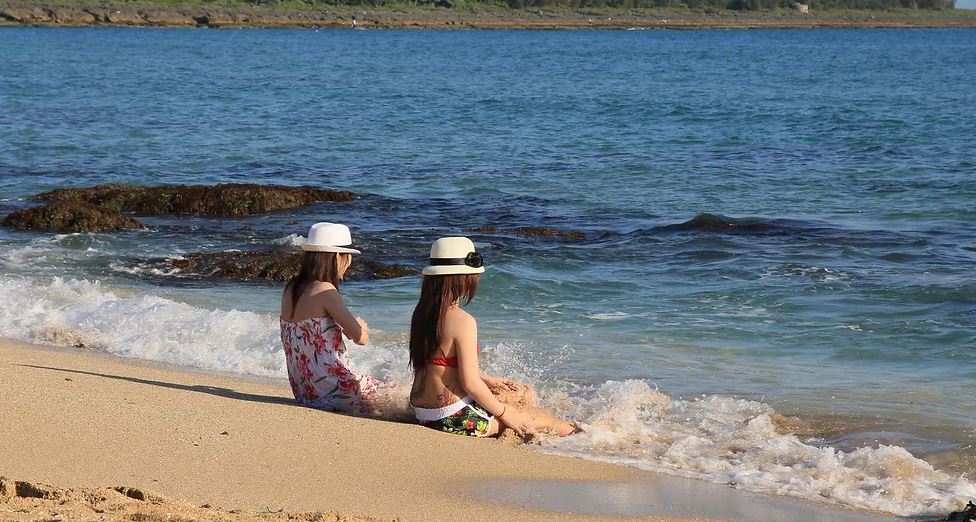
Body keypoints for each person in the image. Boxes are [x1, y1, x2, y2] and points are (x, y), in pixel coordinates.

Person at [408, 236, 578, 438]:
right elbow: (470, 384)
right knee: (550, 422)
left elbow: (436, 365)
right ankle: (592, 438)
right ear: (463, 278)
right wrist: (508, 415)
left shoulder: (422, 313)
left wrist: (487, 379)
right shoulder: (463, 320)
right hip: (454, 417)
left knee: (525, 393)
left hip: (423, 412)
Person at [280, 222, 379, 414]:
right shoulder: (325, 290)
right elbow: (361, 339)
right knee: (398, 395)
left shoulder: (290, 288)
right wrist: (362, 327)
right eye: (348, 257)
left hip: (305, 392)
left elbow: (312, 333)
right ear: (337, 256)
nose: (349, 263)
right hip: (335, 391)